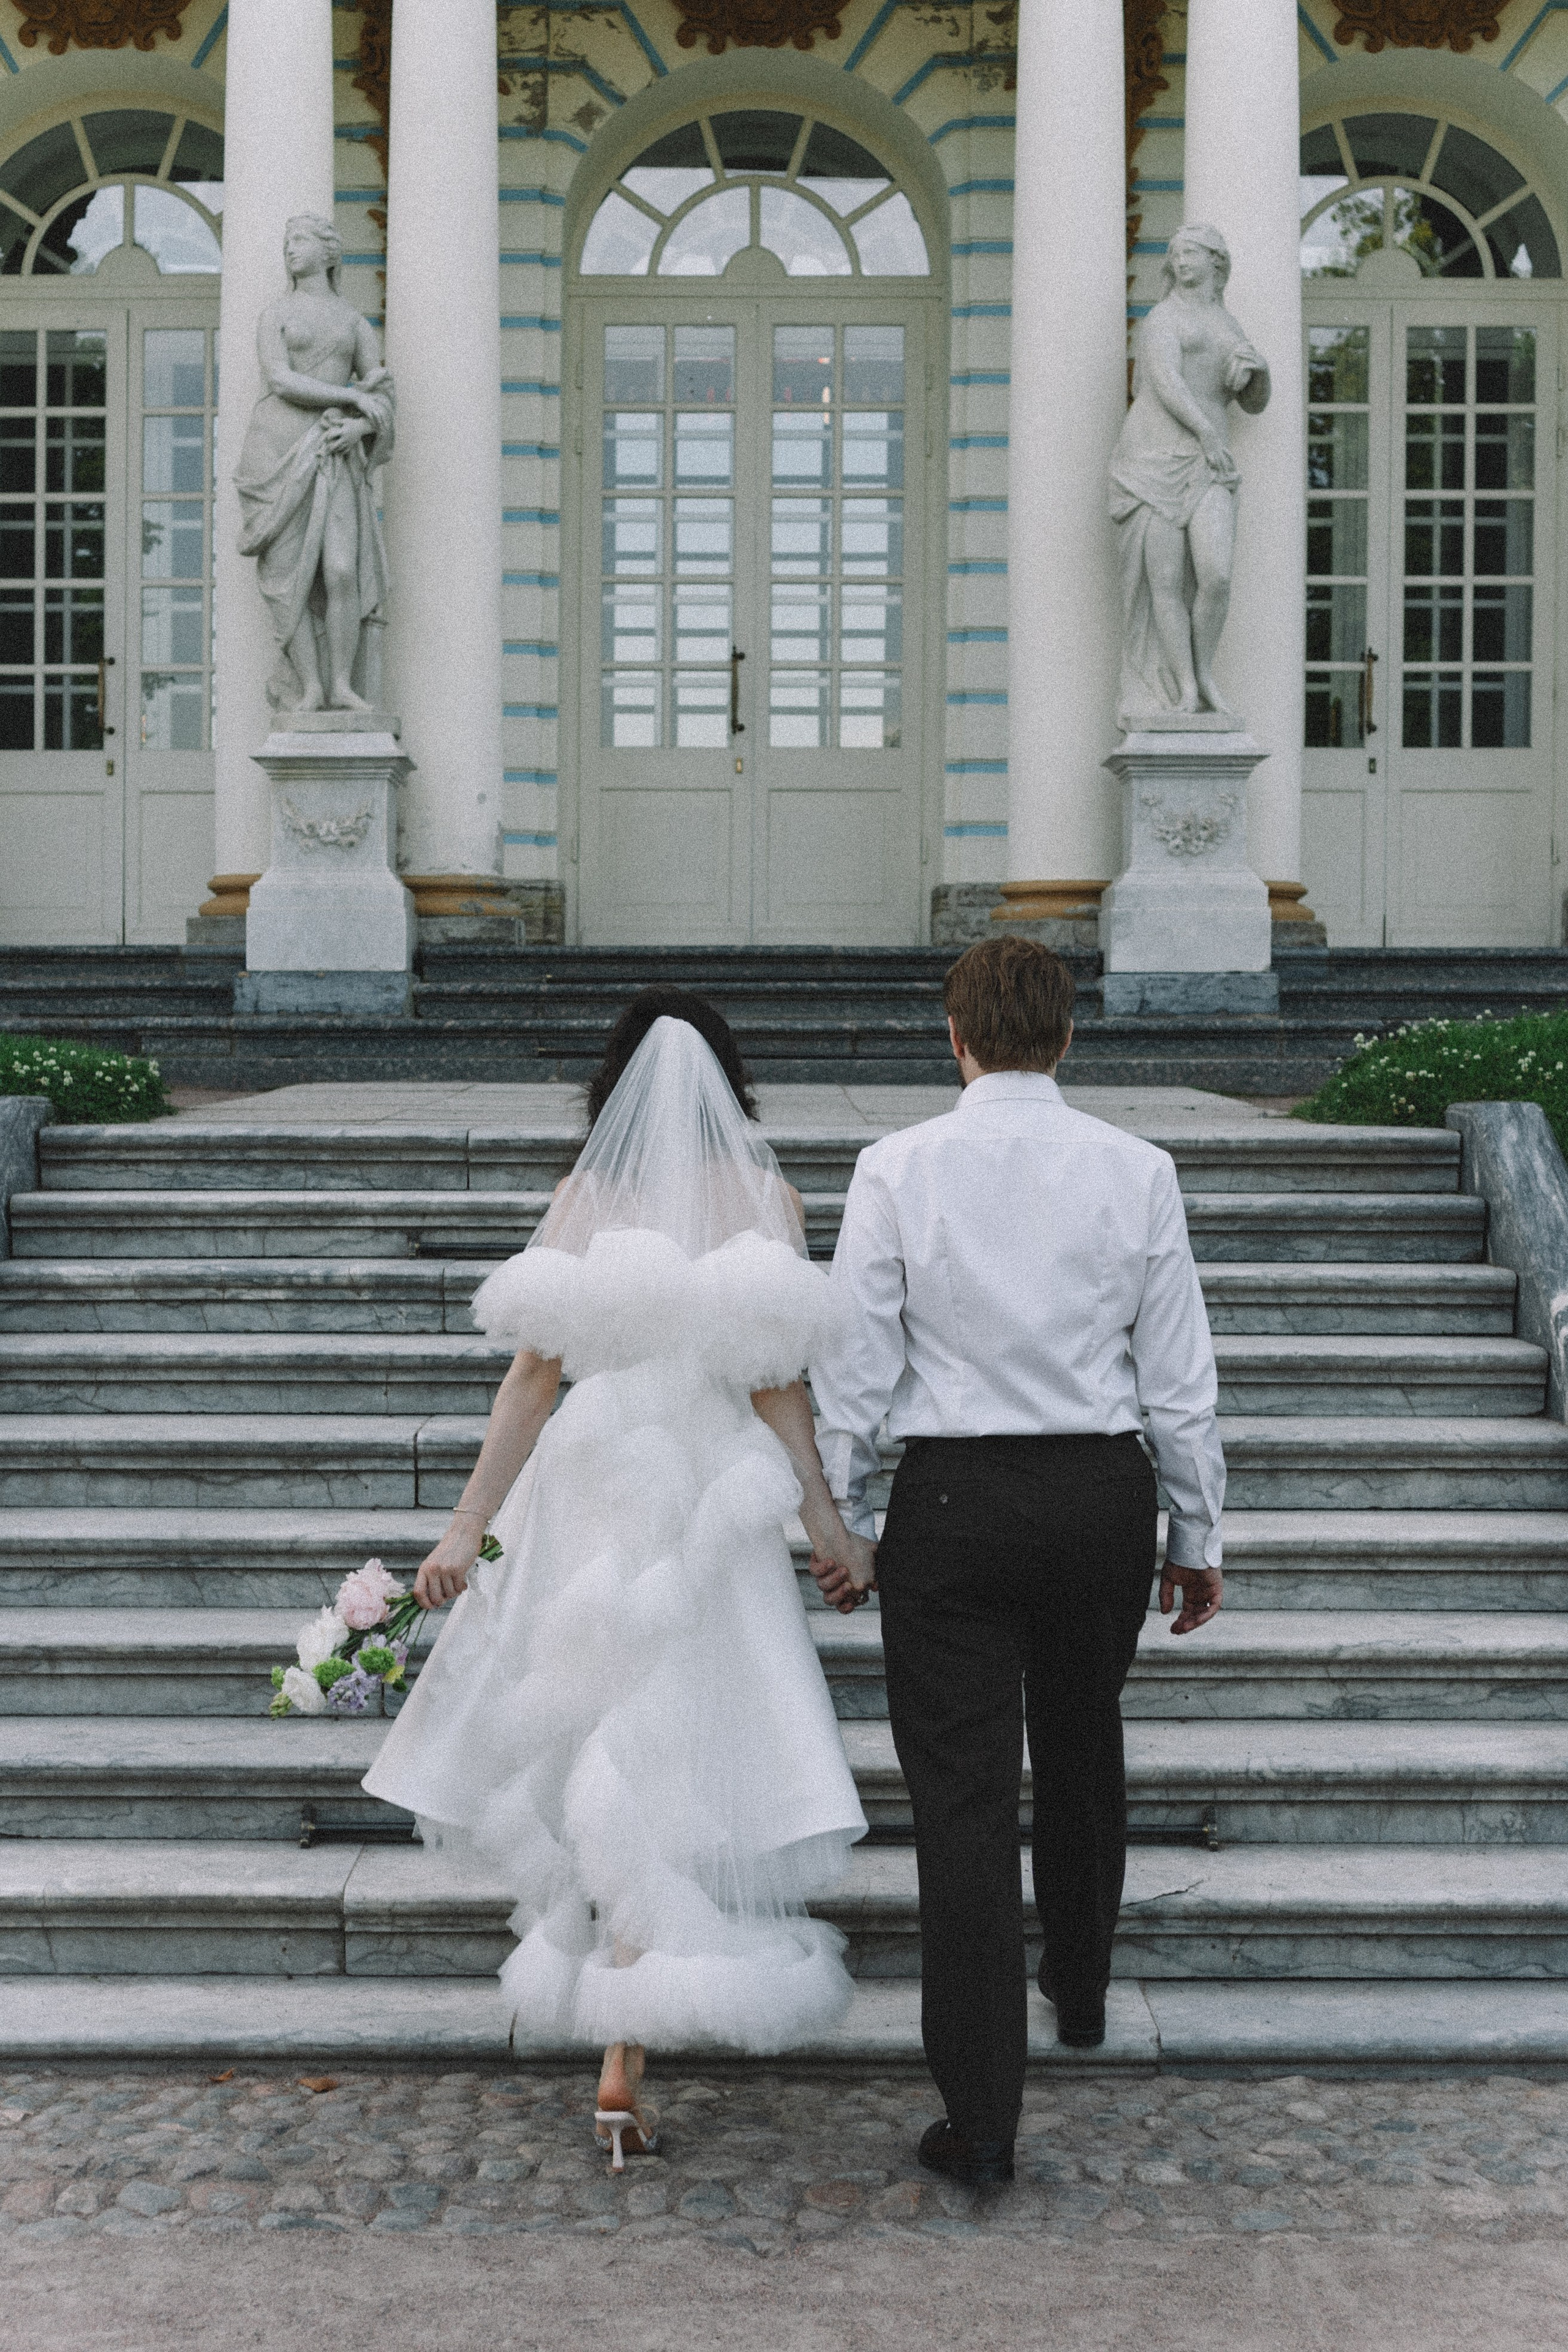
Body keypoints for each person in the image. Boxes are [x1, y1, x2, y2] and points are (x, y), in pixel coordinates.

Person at [363, 987, 873, 2167]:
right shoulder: (768, 1198)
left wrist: (464, 1529)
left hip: (593, 1492)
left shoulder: (584, 1199)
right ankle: (626, 2046)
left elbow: (532, 1383)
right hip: (706, 1501)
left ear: (612, 1089)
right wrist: (828, 1530)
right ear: (731, 1088)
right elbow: (780, 1390)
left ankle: (619, 2047)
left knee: (605, 1742)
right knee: (683, 1747)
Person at [809, 937, 1225, 2188]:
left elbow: (854, 1367)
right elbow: (1177, 1377)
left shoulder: (895, 1168)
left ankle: (981, 2117)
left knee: (963, 1800)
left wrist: (840, 1519)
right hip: (1100, 1492)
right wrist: (1194, 1535)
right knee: (1084, 1738)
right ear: (1066, 1036)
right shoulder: (1136, 1169)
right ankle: (1081, 1989)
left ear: (955, 1036)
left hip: (955, 1498)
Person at [1107, 220, 1269, 719]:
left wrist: (1260, 372)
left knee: (1216, 575)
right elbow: (1165, 382)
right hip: (1153, 458)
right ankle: (1185, 688)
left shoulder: (1230, 325)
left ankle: (1203, 672)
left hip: (1207, 461)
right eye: (1175, 255)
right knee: (1166, 582)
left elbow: (1254, 404)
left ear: (1215, 263)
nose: (1180, 263)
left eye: (1191, 254)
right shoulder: (1162, 318)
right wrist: (1207, 434)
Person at [235, 212, 395, 714]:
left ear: (330, 253)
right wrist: (349, 398)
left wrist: (360, 427)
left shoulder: (352, 321)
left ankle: (343, 684)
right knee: (289, 579)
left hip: (333, 450)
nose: (291, 249)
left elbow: (383, 393)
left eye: (301, 240)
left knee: (342, 571)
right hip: (276, 449)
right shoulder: (275, 314)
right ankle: (311, 686)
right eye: (287, 241)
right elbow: (280, 380)